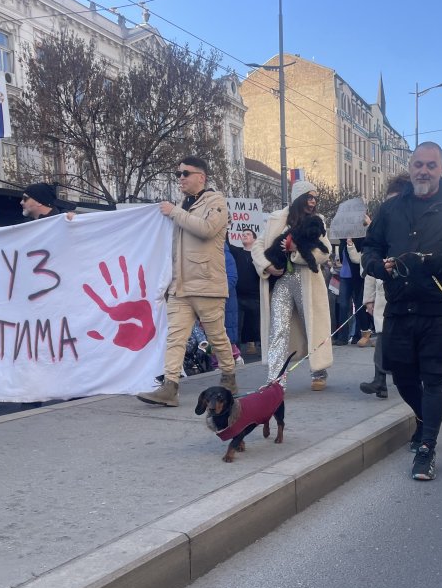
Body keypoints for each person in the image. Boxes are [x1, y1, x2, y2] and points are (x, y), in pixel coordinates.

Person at [361, 141, 442, 480]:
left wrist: (437, 262)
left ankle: (427, 448)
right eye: (418, 164)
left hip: (439, 306)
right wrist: (378, 266)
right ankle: (424, 419)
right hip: (400, 305)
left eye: (431, 165)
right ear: (410, 166)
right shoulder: (392, 208)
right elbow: (370, 247)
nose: (423, 171)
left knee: (433, 378)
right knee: (401, 374)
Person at [137, 156, 237, 406]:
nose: (180, 178)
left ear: (201, 177)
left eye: (185, 173)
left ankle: (229, 374)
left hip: (206, 284)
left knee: (217, 337)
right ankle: (170, 387)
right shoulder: (182, 205)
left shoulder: (216, 201)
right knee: (175, 337)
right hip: (181, 285)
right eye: (178, 174)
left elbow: (206, 229)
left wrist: (175, 212)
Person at [251, 180, 333, 391]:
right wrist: (267, 265)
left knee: (312, 326)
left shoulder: (318, 221)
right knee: (278, 328)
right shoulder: (276, 218)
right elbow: (258, 246)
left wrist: (296, 251)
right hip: (281, 280)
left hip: (308, 280)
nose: (313, 202)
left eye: (315, 198)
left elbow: (325, 252)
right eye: (309, 197)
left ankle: (319, 371)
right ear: (299, 198)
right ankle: (275, 380)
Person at [358, 174, 410, 395]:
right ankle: (380, 380)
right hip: (383, 293)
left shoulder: (413, 228)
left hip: (410, 295)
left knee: (405, 341)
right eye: (389, 199)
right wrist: (368, 298)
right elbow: (371, 266)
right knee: (382, 336)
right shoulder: (383, 228)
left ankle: (405, 380)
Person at [229, 230, 261, 355]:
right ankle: (235, 352)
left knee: (255, 323)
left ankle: (256, 345)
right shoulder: (238, 253)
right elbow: (226, 243)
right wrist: (225, 225)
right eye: (243, 235)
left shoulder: (260, 255)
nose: (244, 236)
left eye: (247, 234)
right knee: (236, 323)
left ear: (254, 239)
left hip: (255, 295)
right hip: (238, 295)